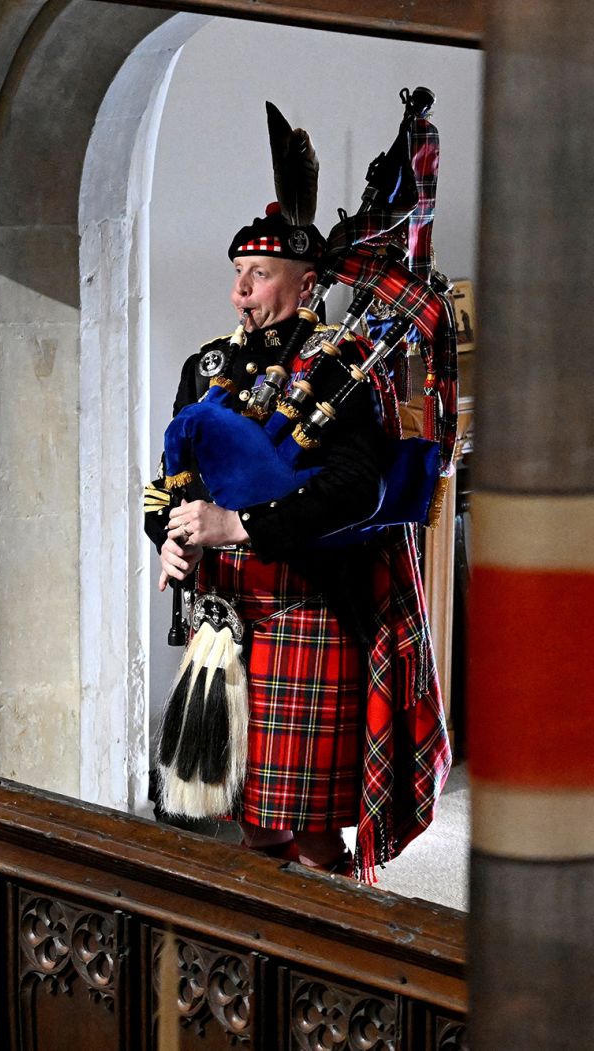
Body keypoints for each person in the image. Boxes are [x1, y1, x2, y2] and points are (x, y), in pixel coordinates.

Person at [157, 203, 411, 874]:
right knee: (253, 821)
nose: (240, 290)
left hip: (307, 612)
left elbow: (359, 488)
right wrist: (170, 536)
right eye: (238, 272)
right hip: (225, 619)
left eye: (260, 274)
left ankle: (336, 954)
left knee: (318, 831)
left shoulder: (344, 371)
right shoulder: (204, 367)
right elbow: (171, 479)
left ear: (306, 287)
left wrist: (240, 524)